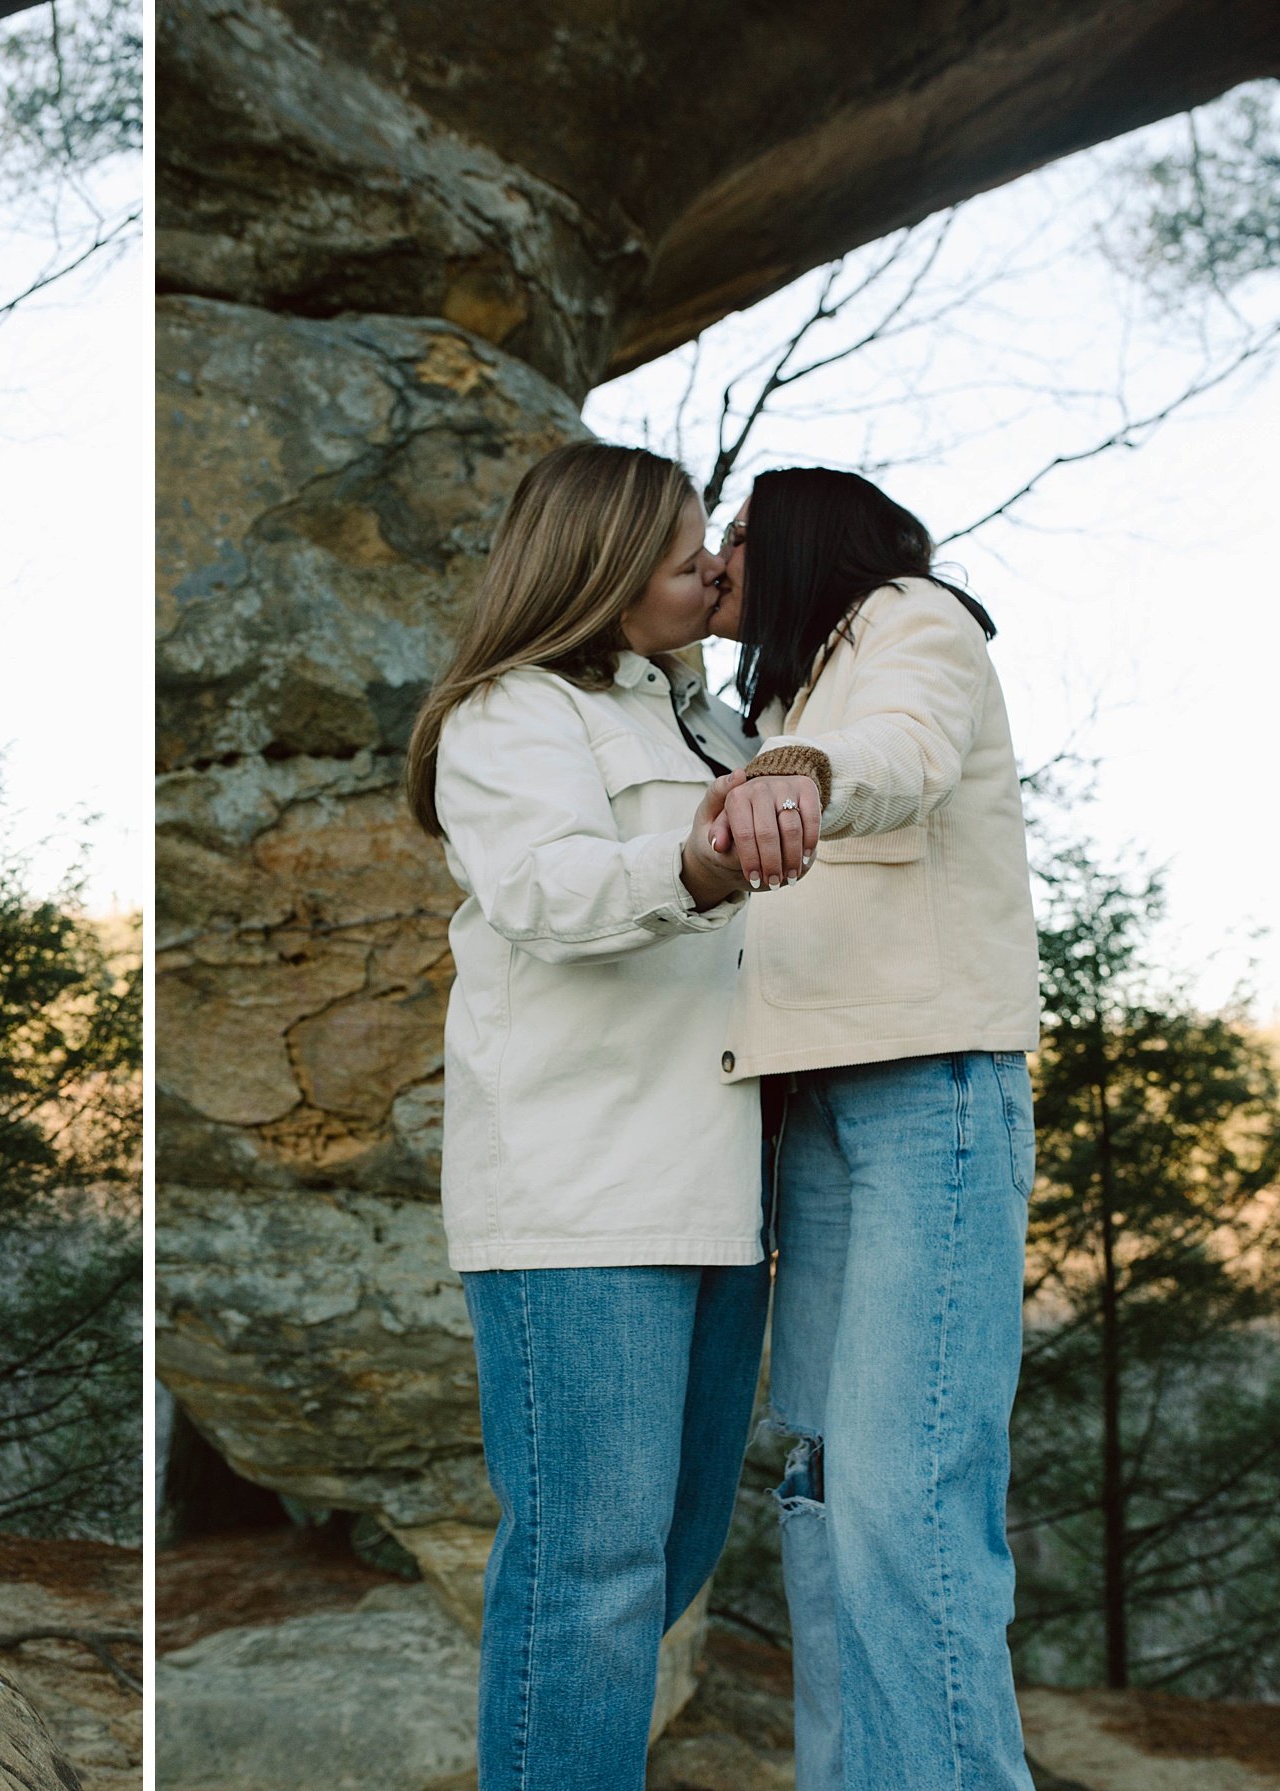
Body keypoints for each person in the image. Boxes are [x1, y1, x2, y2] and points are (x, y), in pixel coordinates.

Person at [403, 440, 819, 1789]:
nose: (709, 565)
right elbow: (552, 894)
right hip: (583, 1198)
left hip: (722, 1193)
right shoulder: (510, 714)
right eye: (680, 542)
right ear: (597, 559)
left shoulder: (710, 724)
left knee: (668, 1562)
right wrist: (700, 860)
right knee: (586, 1571)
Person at [708, 467, 1041, 1791]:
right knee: (832, 1489)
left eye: (736, 532)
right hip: (820, 1106)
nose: (717, 557)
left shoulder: (912, 619)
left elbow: (900, 750)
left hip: (929, 1096)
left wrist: (798, 767)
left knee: (910, 1497)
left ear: (793, 539)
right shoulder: (782, 693)